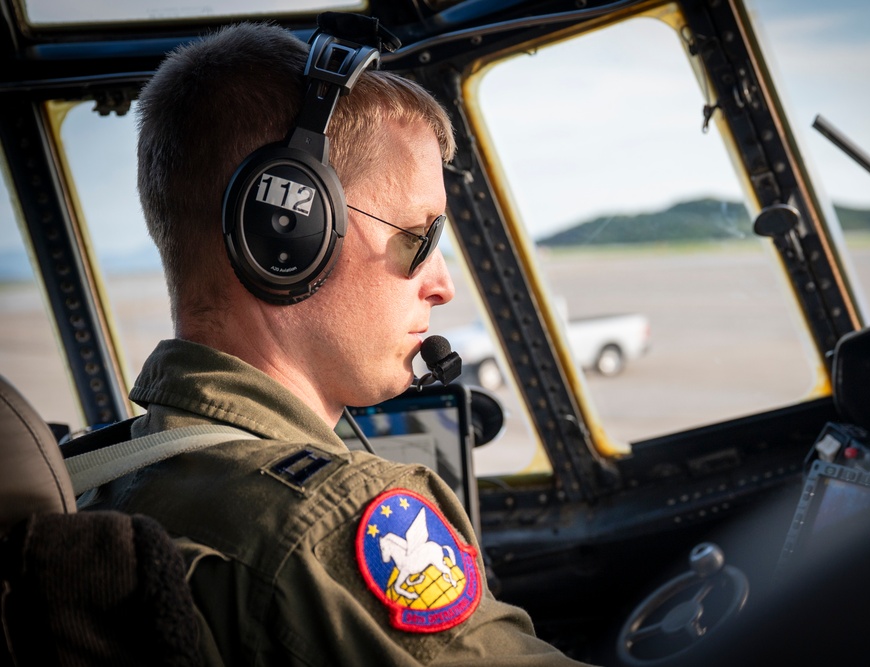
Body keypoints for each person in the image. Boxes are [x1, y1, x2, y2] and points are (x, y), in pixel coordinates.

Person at [83, 19, 592, 667]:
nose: (442, 286)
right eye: (418, 238)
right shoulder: (336, 522)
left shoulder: (98, 476)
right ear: (287, 232)